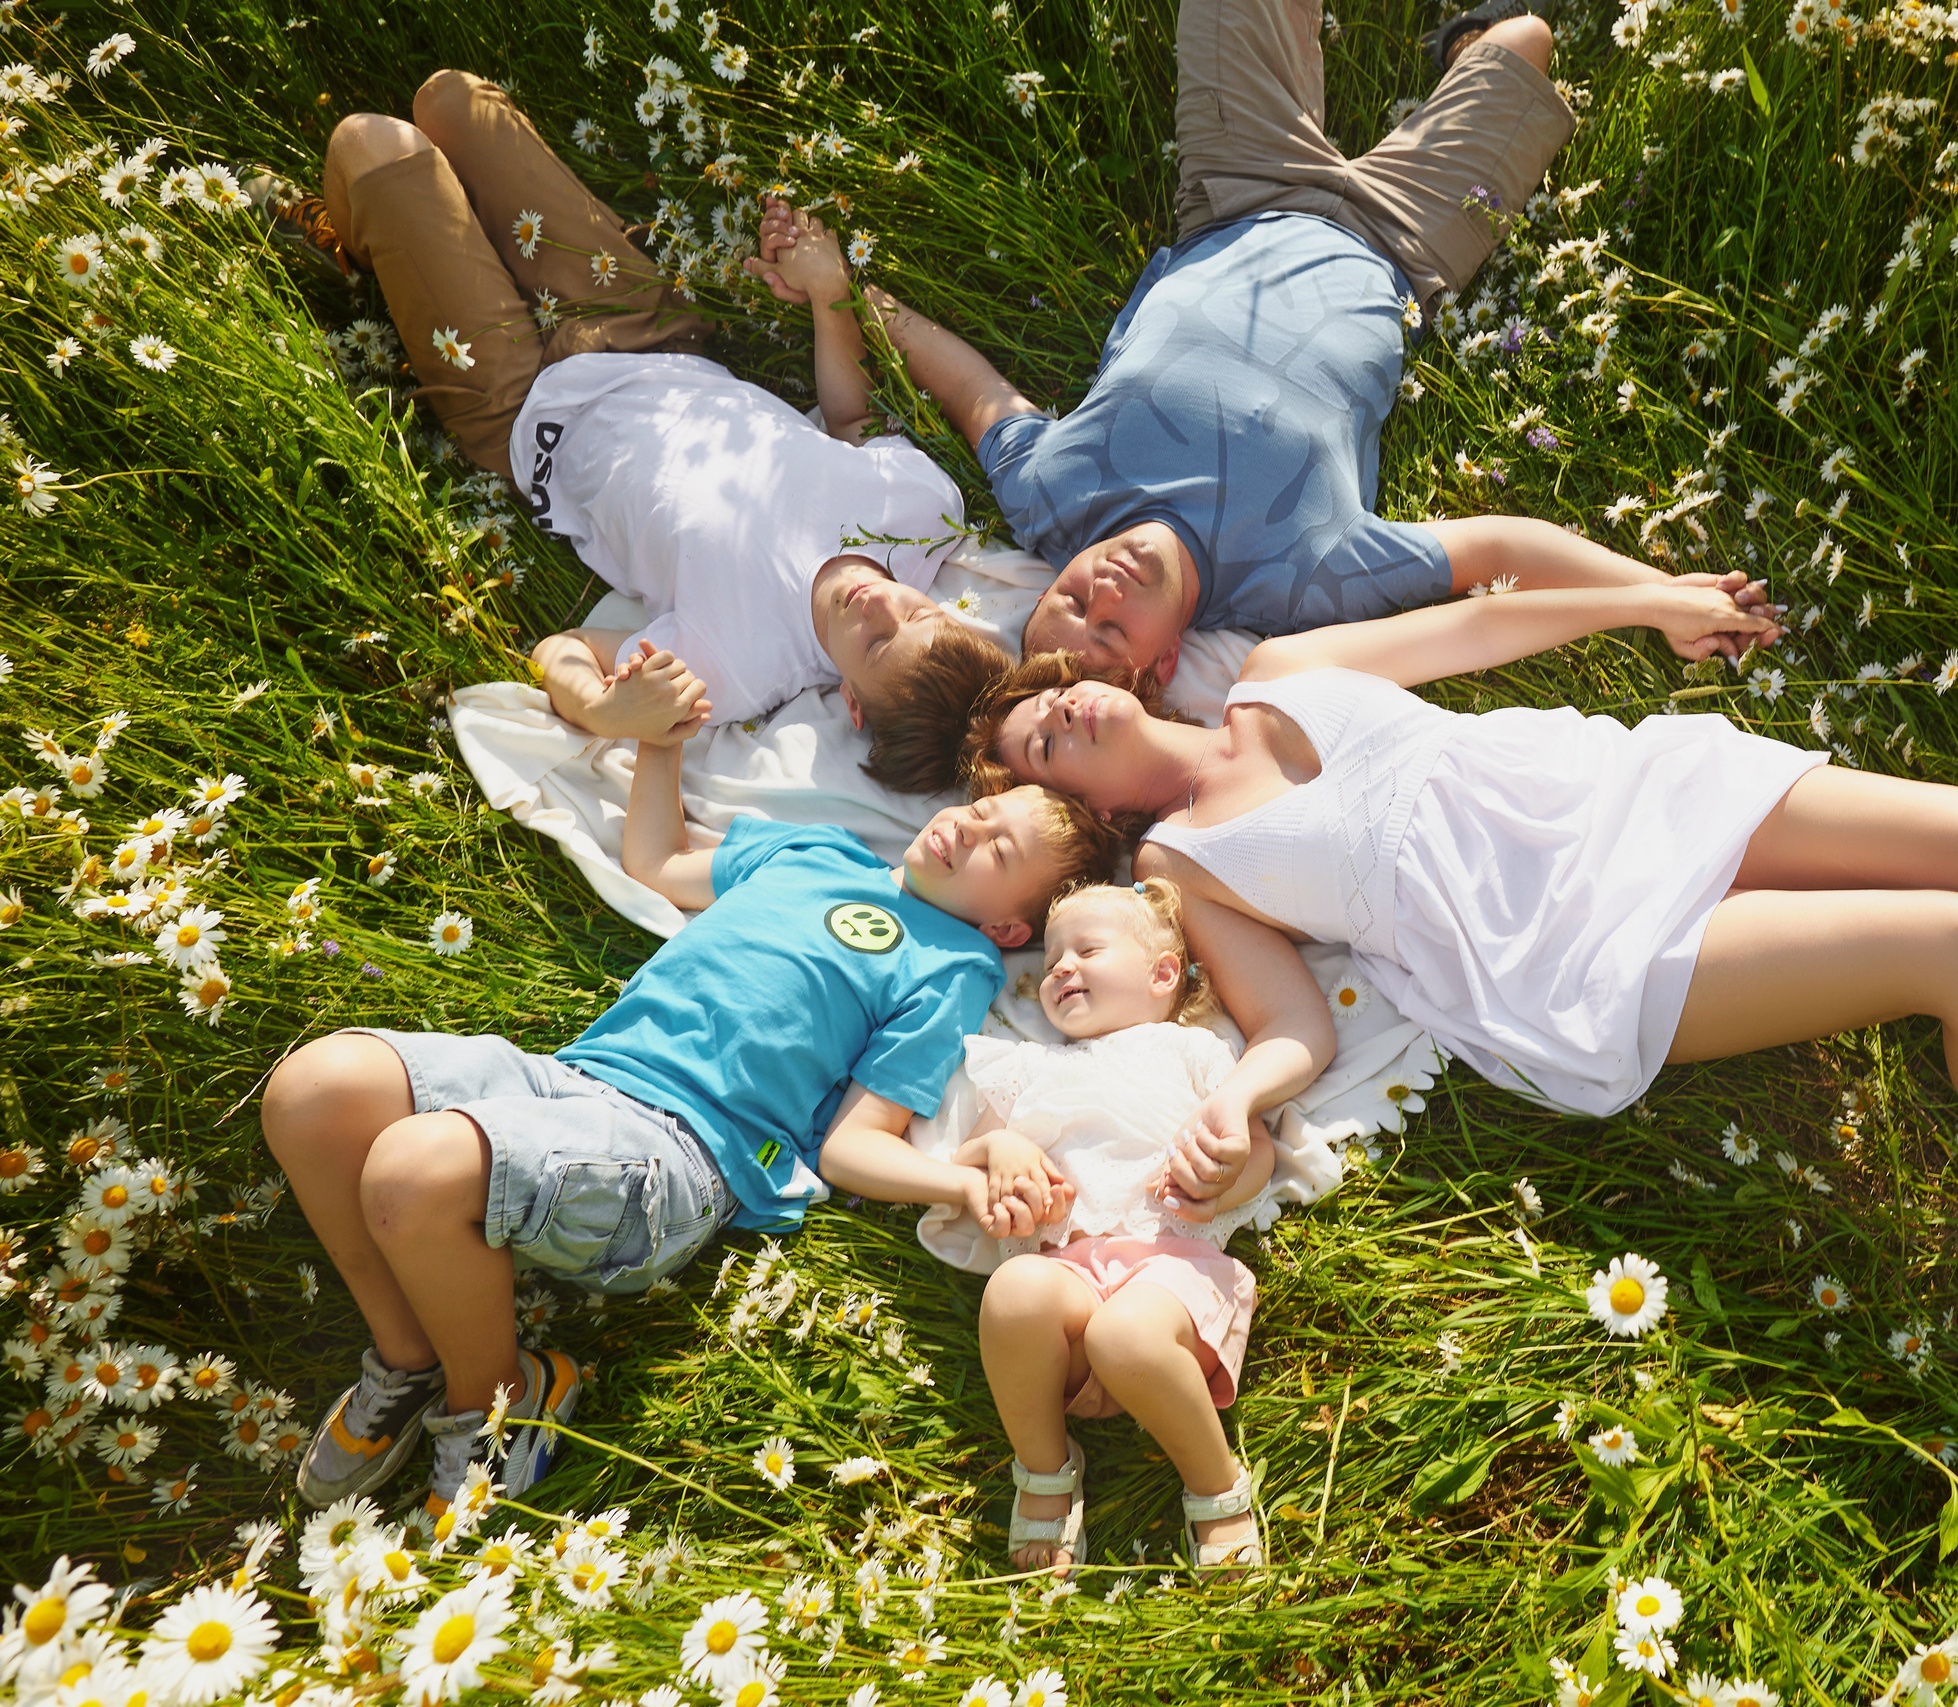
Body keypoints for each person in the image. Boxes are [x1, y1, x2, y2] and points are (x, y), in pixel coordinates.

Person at [958, 578, 1958, 1390]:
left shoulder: (1277, 672)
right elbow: (1290, 1021)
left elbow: (1480, 631)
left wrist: (1647, 599)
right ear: (1081, 814)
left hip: (1638, 796)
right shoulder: (1195, 868)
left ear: (1120, 671)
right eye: (1042, 748)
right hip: (1570, 953)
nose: (1061, 713)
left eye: (1058, 693)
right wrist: (1250, 1104)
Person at [261, 696, 1121, 1516]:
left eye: (998, 854)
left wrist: (960, 1183)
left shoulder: (950, 964)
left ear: (1010, 930)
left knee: (412, 1172)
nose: (968, 827)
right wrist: (661, 740)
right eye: (983, 810)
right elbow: (658, 863)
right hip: (573, 1077)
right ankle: (410, 1357)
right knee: (312, 1091)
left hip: (680, 1150)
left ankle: (502, 1403)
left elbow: (854, 1145)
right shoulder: (815, 852)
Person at [749, 0, 1706, 703]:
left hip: (1246, 188)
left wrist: (849, 293)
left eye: (1069, 601)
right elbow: (1494, 547)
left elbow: (976, 391)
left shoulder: (1055, 504)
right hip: (1402, 249)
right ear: (1166, 660)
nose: (1101, 588)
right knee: (1527, 39)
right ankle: (1463, 56)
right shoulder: (1303, 585)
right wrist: (1660, 595)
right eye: (1112, 628)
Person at [301, 72, 1010, 765]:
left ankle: (348, 249)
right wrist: (829, 294)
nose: (880, 605)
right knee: (449, 100)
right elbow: (851, 419)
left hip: (530, 415)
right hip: (646, 333)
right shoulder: (923, 515)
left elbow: (566, 652)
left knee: (374, 145)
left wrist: (604, 707)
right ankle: (400, 245)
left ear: (852, 704)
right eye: (918, 613)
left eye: (878, 646)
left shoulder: (737, 665)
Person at [914, 879, 1332, 1577]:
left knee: (1127, 1333)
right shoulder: (1026, 1067)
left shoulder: (1195, 1052)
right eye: (1049, 962)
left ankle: (1215, 1482)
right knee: (1015, 1288)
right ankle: (1044, 1466)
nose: (1060, 969)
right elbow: (973, 1153)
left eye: (1086, 950)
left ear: (1163, 973)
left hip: (1171, 1266)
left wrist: (1223, 1176)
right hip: (1069, 1274)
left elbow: (1254, 1149)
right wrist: (1003, 1152)